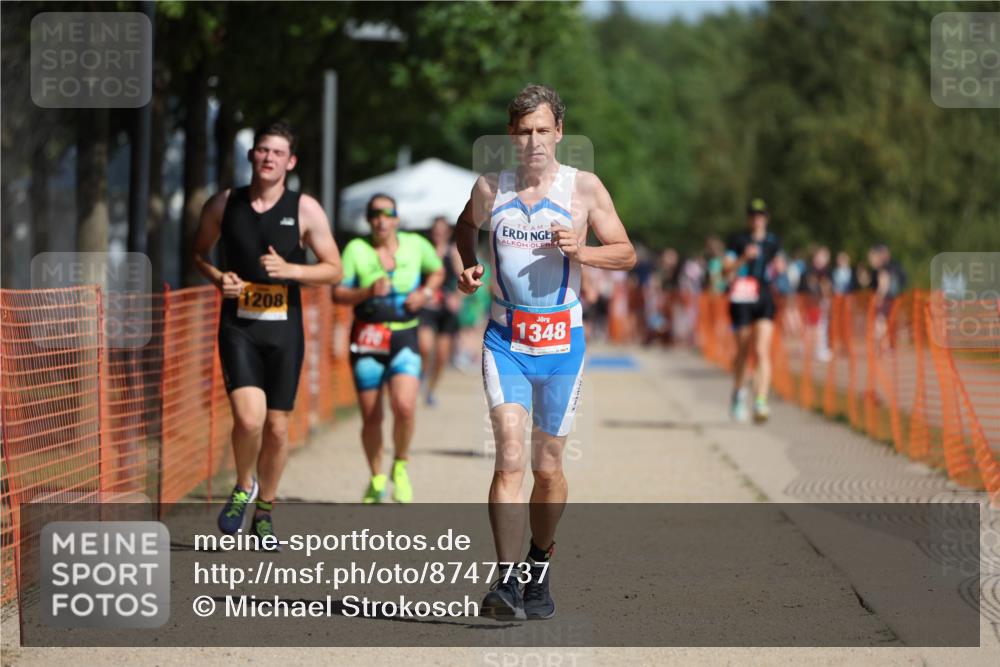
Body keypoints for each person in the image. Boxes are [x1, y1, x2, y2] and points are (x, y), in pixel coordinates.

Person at [456, 84, 636, 620]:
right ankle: (507, 581)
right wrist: (466, 266)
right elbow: (467, 227)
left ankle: (540, 559)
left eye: (542, 130)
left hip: (562, 344)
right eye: (523, 131)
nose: (533, 141)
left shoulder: (584, 190)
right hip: (505, 341)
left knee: (548, 467)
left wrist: (584, 252)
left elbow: (626, 253)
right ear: (511, 136)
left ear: (559, 131)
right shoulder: (491, 187)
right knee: (510, 457)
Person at [192, 120, 342, 543]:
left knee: (277, 428)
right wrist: (217, 277)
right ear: (251, 156)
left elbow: (335, 269)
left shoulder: (305, 209)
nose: (268, 158)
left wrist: (292, 269)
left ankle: (265, 509)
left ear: (290, 162)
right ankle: (243, 484)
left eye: (277, 152)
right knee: (248, 418)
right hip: (238, 326)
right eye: (262, 150)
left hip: (284, 331)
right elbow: (198, 252)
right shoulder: (224, 204)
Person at [333, 194, 444, 504]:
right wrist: (367, 291)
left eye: (387, 214)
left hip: (404, 336)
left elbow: (437, 271)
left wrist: (424, 293)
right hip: (367, 338)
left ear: (396, 218)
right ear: (368, 220)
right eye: (375, 214)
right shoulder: (356, 249)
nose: (381, 220)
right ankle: (377, 476)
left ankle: (400, 465)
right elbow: (338, 294)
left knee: (405, 406)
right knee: (371, 416)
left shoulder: (415, 244)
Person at [723, 198, 781, 423]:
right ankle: (738, 393)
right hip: (742, 297)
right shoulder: (738, 240)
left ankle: (761, 400)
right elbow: (725, 268)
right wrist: (743, 258)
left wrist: (780, 267)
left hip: (764, 297)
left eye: (761, 215)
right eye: (754, 215)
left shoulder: (773, 242)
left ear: (766, 218)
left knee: (762, 349)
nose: (757, 219)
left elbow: (778, 265)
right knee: (744, 351)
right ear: (749, 218)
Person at [417, 216, 463, 406]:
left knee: (442, 355)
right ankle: (418, 380)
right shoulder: (423, 250)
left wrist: (457, 298)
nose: (438, 234)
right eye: (436, 231)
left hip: (446, 309)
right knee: (425, 348)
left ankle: (431, 390)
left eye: (442, 231)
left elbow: (464, 279)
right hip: (427, 307)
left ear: (448, 233)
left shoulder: (453, 252)